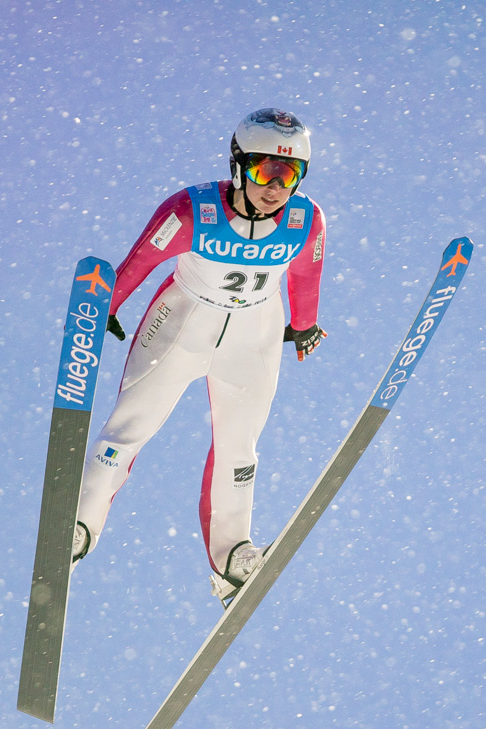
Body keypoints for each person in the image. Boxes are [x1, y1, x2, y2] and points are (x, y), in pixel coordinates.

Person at [72, 108, 329, 603]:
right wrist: (106, 305)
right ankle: (79, 527)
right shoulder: (192, 210)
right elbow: (140, 260)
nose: (276, 187)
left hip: (254, 333)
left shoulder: (306, 220)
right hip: (183, 321)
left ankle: (232, 557)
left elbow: (305, 274)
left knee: (241, 448)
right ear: (238, 165)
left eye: (290, 174)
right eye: (265, 171)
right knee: (128, 429)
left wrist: (303, 325)